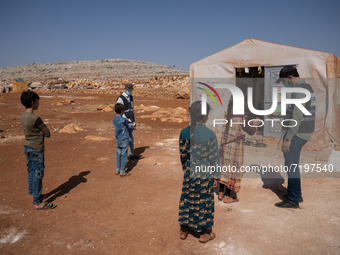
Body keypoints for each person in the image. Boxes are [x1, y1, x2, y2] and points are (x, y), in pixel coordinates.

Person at [274, 66, 315, 209]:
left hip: (297, 133)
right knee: (293, 165)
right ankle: (296, 194)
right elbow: (296, 111)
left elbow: (297, 117)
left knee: (291, 166)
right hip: (304, 132)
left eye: (285, 81)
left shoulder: (299, 90)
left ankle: (293, 200)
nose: (284, 84)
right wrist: (277, 113)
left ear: (290, 77)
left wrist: (287, 139)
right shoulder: (306, 87)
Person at [178, 101, 219, 243]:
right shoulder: (210, 134)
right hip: (204, 174)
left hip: (190, 172)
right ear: (206, 116)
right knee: (205, 201)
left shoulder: (184, 132)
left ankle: (184, 230)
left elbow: (183, 155)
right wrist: (215, 176)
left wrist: (187, 169)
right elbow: (214, 158)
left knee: (187, 199)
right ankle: (203, 233)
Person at [20, 91, 57, 210]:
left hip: (27, 146)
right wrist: (40, 132)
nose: (38, 103)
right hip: (37, 148)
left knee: (31, 171)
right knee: (38, 174)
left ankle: (33, 194)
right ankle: (38, 201)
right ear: (32, 102)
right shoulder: (36, 118)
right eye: (37, 101)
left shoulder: (23, 116)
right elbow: (47, 133)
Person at [219, 96, 259, 203]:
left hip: (225, 146)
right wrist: (255, 124)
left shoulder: (227, 113)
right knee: (234, 169)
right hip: (235, 148)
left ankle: (221, 192)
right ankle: (229, 196)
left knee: (224, 167)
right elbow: (250, 131)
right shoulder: (242, 116)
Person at [117, 83, 139, 160]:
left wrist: (134, 122)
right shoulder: (121, 98)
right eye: (129, 90)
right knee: (125, 139)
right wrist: (126, 121)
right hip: (125, 122)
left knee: (131, 138)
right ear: (125, 89)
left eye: (131, 90)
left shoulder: (131, 97)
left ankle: (131, 155)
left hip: (131, 122)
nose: (130, 91)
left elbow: (132, 110)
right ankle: (124, 156)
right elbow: (120, 112)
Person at [112, 103, 134, 177]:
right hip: (124, 138)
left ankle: (117, 170)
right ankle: (122, 172)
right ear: (122, 111)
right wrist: (132, 126)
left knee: (118, 154)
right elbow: (128, 127)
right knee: (124, 155)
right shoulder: (124, 120)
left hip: (118, 138)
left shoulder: (114, 120)